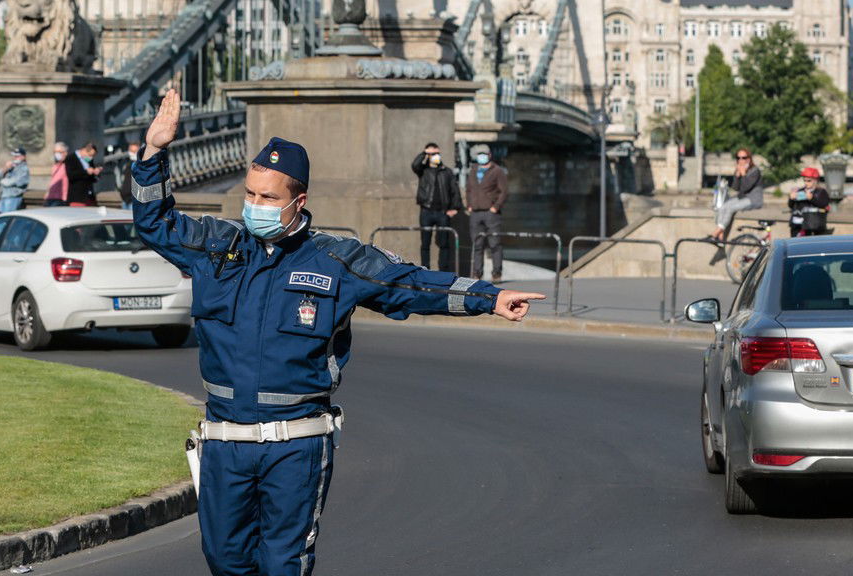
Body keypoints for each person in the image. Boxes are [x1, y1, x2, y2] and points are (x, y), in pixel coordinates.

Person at [129, 89, 544, 576]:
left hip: (296, 444)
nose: (255, 205)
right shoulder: (216, 248)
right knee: (225, 560)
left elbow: (408, 283)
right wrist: (154, 152)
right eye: (250, 195)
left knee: (284, 563)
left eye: (268, 198)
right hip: (225, 441)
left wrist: (487, 298)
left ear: (297, 201)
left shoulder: (337, 259)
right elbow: (154, 222)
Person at [411, 142, 462, 272]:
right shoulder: (423, 170)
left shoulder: (447, 171)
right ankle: (425, 269)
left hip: (442, 213)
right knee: (425, 243)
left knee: (444, 243)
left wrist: (455, 208)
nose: (436, 156)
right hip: (426, 211)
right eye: (433, 154)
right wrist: (425, 153)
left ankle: (443, 270)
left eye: (437, 153)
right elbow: (415, 165)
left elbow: (454, 190)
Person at [465, 143, 508, 282]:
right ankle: (477, 273)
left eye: (484, 154)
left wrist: (496, 207)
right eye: (479, 155)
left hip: (491, 213)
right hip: (475, 213)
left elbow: (504, 191)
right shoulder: (473, 169)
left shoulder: (497, 171)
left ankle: (497, 273)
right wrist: (469, 205)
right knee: (477, 244)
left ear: (489, 155)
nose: (481, 157)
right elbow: (469, 189)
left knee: (494, 243)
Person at [787, 166, 830, 237]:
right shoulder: (800, 191)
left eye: (809, 181)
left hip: (814, 226)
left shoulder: (821, 192)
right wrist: (791, 199)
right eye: (805, 180)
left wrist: (812, 198)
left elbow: (824, 204)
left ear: (815, 180)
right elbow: (791, 206)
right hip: (798, 226)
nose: (806, 183)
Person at [66, 141, 102, 206]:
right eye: (90, 155)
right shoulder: (71, 158)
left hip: (89, 196)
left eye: (93, 156)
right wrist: (86, 172)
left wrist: (96, 173)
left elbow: (93, 179)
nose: (91, 157)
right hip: (77, 197)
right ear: (84, 150)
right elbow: (70, 175)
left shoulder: (89, 160)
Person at [0, 148, 31, 213]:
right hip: (4, 195)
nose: (15, 157)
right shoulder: (11, 166)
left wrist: (4, 181)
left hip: (13, 196)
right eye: (14, 156)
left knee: (8, 217)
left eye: (17, 156)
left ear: (23, 157)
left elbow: (20, 181)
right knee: (0, 217)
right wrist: (6, 168)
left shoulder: (24, 168)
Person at [44, 142, 70, 207]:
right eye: (55, 152)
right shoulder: (55, 166)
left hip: (60, 198)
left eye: (59, 152)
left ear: (65, 153)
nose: (57, 154)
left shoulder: (68, 165)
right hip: (50, 197)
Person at [117, 142, 142, 211]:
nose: (132, 153)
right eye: (131, 151)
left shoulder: (141, 164)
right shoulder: (129, 163)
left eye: (134, 151)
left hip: (134, 201)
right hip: (125, 200)